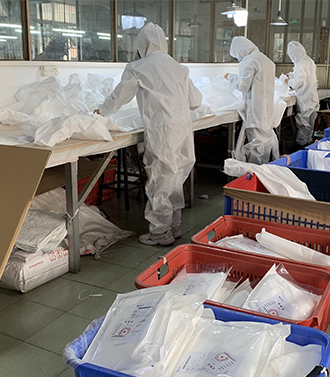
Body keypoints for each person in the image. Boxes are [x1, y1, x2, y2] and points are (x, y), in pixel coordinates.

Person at [95, 22, 202, 246]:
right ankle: (174, 226)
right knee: (176, 179)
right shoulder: (178, 67)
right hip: (183, 129)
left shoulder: (139, 67)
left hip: (163, 131)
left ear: (142, 44)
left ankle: (160, 232)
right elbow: (196, 100)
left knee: (160, 180)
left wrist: (102, 111)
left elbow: (120, 96)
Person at [225, 37, 279, 164]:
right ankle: (264, 169)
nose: (238, 59)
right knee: (265, 141)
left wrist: (230, 77)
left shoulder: (249, 62)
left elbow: (243, 85)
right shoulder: (266, 60)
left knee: (256, 144)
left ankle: (255, 171)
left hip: (256, 109)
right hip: (267, 108)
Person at [287, 41, 319, 148]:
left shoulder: (300, 64)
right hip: (312, 96)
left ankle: (301, 146)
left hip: (305, 98)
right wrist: (291, 75)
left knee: (303, 123)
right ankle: (308, 145)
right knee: (310, 123)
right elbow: (303, 75)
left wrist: (288, 81)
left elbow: (297, 83)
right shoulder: (308, 60)